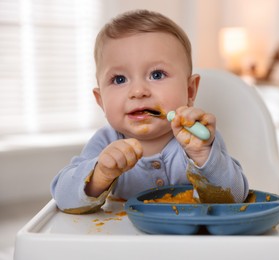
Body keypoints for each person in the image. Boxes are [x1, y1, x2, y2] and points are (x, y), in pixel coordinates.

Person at [51, 9, 248, 214]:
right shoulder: (105, 143)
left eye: (157, 74)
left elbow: (235, 198)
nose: (138, 91)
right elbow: (63, 198)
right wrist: (100, 174)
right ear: (101, 101)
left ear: (189, 91)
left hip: (191, 242)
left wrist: (203, 155)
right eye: (119, 79)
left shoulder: (198, 139)